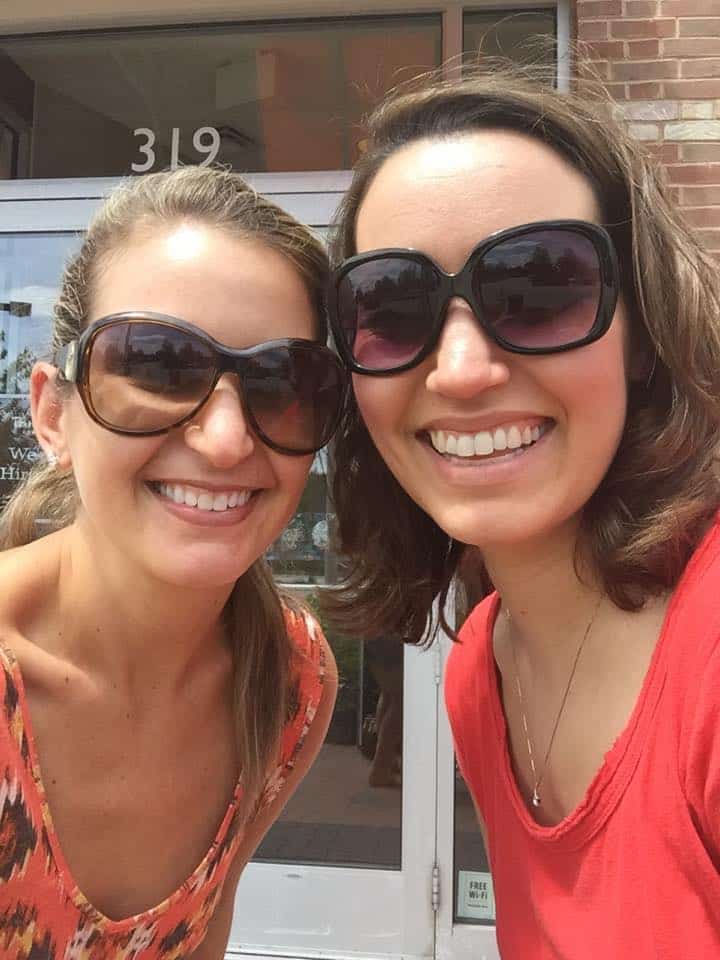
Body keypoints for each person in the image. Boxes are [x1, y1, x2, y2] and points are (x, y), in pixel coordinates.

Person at [324, 63, 720, 957]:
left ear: (646, 337)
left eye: (541, 288)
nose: (461, 370)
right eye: (390, 305)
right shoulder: (480, 671)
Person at [0, 166, 344, 958]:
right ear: (55, 414)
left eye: (282, 381)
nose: (226, 440)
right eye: (156, 364)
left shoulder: (289, 683)